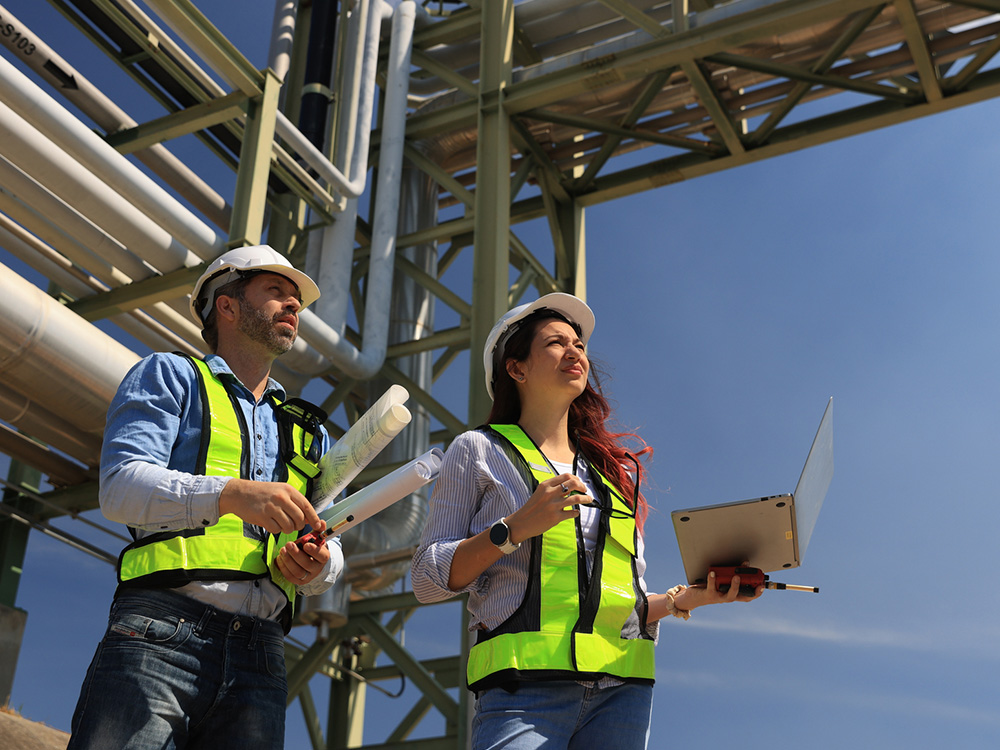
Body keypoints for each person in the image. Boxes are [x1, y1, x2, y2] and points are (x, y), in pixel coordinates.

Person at [410, 292, 763, 750]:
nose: (576, 351)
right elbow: (426, 579)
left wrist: (690, 597)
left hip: (623, 694)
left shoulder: (611, 475)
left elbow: (622, 604)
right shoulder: (478, 450)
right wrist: (512, 530)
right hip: (523, 692)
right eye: (557, 342)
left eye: (579, 344)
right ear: (515, 368)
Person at [67, 245, 343, 750]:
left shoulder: (307, 430)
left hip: (262, 652)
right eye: (276, 292)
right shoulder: (170, 377)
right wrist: (231, 494)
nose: (293, 305)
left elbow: (326, 536)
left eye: (296, 299)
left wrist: (319, 565)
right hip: (160, 628)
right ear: (228, 306)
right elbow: (121, 486)